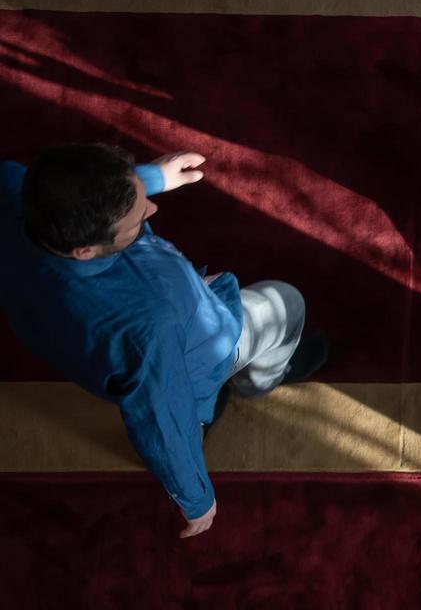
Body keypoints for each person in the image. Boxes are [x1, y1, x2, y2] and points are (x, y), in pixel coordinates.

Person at [0, 143, 327, 538]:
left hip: (77, 344)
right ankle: (259, 379)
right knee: (287, 302)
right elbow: (160, 420)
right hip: (187, 352)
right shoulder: (150, 323)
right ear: (84, 250)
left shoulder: (13, 185)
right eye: (137, 218)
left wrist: (150, 178)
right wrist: (196, 498)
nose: (152, 208)